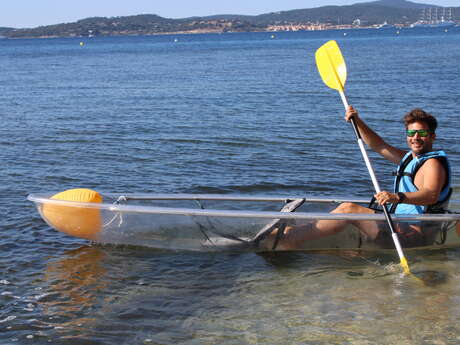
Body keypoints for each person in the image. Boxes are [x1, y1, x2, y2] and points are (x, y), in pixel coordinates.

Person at [268, 105, 451, 250]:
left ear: (432, 136)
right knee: (348, 210)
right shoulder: (411, 158)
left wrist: (397, 197)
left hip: (411, 236)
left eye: (422, 133)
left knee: (348, 209)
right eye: (411, 133)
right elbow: (379, 145)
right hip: (398, 225)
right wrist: (357, 121)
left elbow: (430, 195)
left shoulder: (432, 164)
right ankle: (297, 234)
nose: (416, 137)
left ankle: (290, 239)